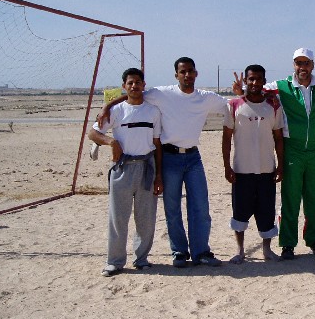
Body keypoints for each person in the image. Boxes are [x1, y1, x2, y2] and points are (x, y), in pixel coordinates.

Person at [98, 57, 227, 268]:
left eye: (190, 71)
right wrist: (107, 106)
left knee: (200, 207)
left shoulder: (205, 98)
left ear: (196, 73)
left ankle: (201, 252)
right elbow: (133, 94)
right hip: (169, 158)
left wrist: (246, 93)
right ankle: (179, 252)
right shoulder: (162, 93)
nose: (187, 75)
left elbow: (231, 105)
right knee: (172, 208)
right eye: (182, 72)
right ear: (176, 75)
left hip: (193, 158)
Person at [233, 48, 315, 259]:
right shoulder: (280, 86)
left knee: (314, 199)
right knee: (290, 199)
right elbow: (256, 90)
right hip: (292, 149)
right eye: (298, 63)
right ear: (294, 65)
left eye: (306, 63)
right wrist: (242, 91)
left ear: (313, 65)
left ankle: (314, 239)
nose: (302, 67)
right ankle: (287, 243)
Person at [88, 68, 163, 277]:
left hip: (147, 168)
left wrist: (159, 175)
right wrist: (111, 141)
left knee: (146, 218)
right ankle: (115, 261)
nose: (134, 86)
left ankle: (142, 259)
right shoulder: (115, 111)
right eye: (130, 83)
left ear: (144, 85)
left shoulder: (153, 112)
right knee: (118, 218)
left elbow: (157, 144)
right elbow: (93, 133)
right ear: (124, 86)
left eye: (138, 82)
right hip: (122, 168)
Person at [222, 64, 284, 264]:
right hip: (242, 171)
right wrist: (227, 166)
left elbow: (279, 138)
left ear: (264, 81)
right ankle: (240, 250)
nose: (254, 82)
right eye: (251, 79)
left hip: (267, 170)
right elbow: (226, 138)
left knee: (266, 212)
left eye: (258, 79)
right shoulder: (234, 105)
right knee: (240, 212)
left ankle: (267, 250)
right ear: (246, 81)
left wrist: (280, 166)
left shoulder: (273, 106)